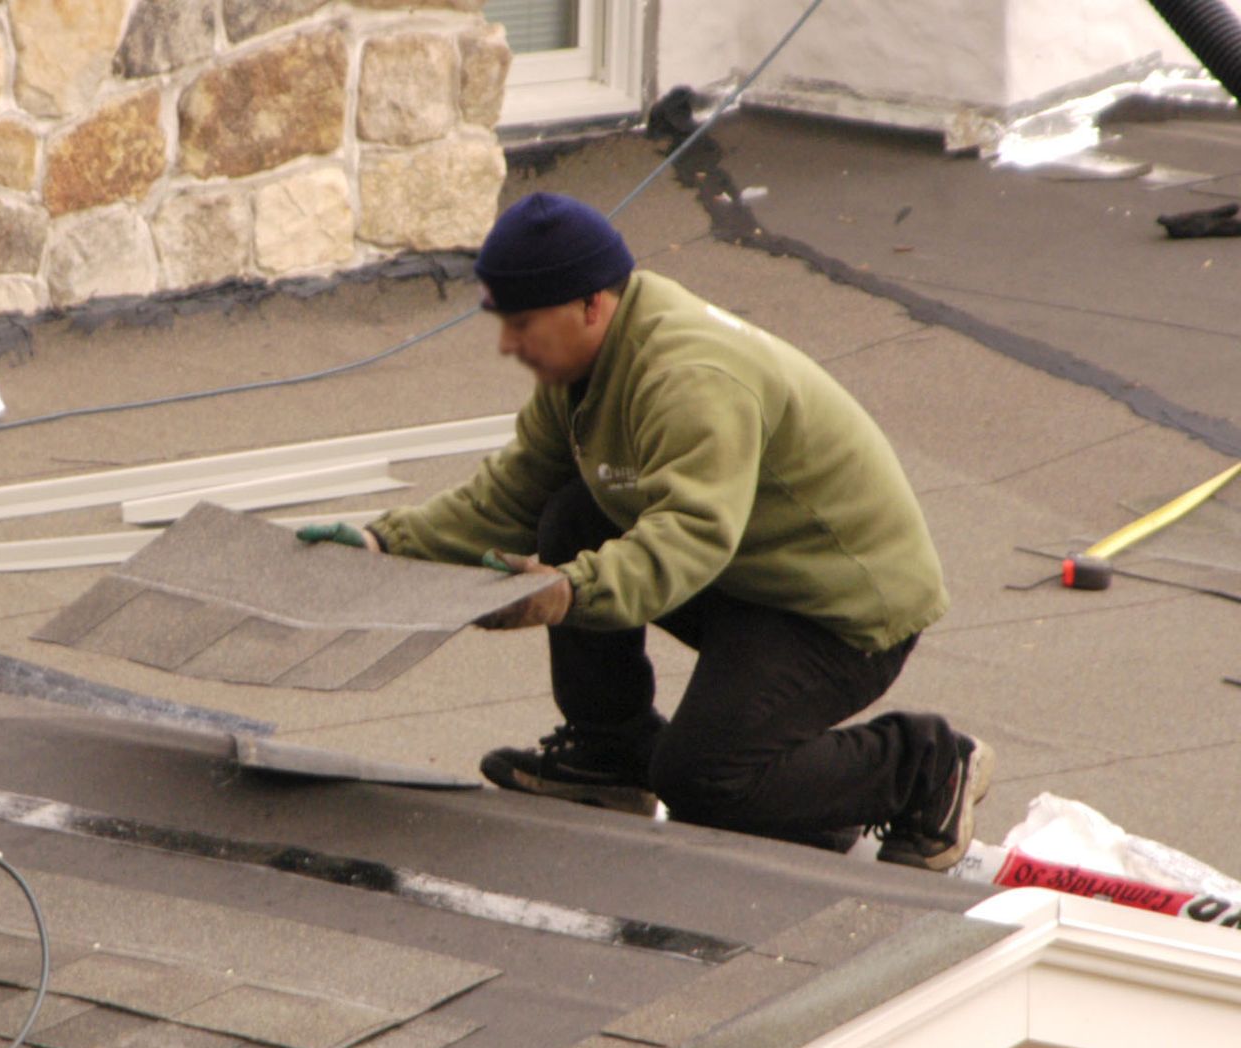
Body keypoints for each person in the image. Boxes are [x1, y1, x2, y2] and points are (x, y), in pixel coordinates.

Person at [300, 192, 991, 869]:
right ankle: (611, 758)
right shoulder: (584, 364)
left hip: (843, 610)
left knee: (702, 779)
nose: (508, 345)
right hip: (756, 573)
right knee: (571, 512)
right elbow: (511, 494)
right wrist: (382, 543)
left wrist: (568, 591)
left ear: (589, 305)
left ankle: (925, 767)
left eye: (522, 323)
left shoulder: (688, 378)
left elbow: (689, 537)